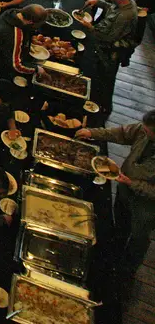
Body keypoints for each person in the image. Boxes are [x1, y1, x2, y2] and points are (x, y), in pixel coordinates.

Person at [76, 110, 155, 281]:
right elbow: (122, 133)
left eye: (149, 132)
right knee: (120, 224)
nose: (144, 132)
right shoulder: (144, 130)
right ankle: (113, 257)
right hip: (125, 188)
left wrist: (132, 184)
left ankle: (125, 273)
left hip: (145, 207)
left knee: (138, 239)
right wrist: (92, 132)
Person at [78, 0, 138, 110]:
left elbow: (109, 38)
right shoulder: (126, 2)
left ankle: (103, 106)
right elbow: (112, 9)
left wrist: (90, 27)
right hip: (106, 43)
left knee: (105, 77)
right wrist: (98, 3)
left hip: (111, 50)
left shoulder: (124, 16)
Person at [0, 3, 46, 83]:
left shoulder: (12, 12)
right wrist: (37, 69)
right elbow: (16, 66)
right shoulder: (15, 34)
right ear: (30, 21)